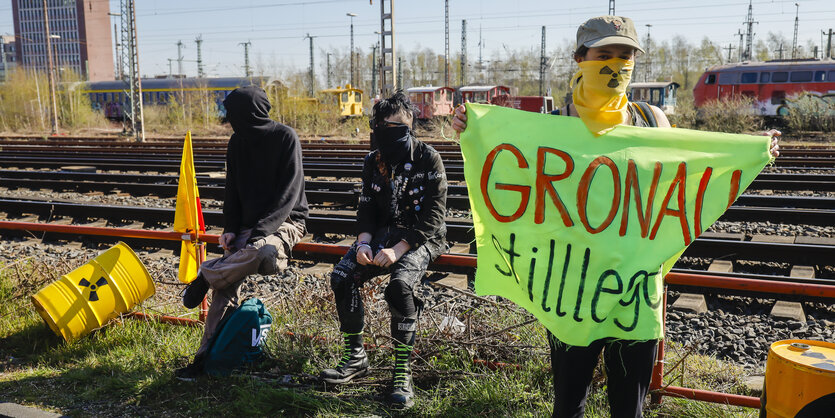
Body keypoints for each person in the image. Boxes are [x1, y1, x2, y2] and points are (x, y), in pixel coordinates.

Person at [452, 16, 780, 418]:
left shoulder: (653, 120)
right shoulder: (551, 127)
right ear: (580, 58)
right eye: (603, 55)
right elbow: (513, 179)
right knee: (568, 406)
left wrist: (751, 154)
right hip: (570, 293)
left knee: (630, 409)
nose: (616, 65)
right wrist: (474, 132)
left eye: (625, 56)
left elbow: (686, 176)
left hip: (634, 293)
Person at [320, 92, 447, 409]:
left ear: (411, 125)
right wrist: (363, 241)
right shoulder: (372, 160)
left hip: (421, 236)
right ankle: (356, 357)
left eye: (396, 126)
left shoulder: (428, 158)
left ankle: (402, 373)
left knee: (399, 287)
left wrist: (399, 249)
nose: (387, 132)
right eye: (382, 126)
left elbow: (434, 216)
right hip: (381, 233)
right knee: (342, 277)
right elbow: (366, 209)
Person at [175, 85, 309, 381]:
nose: (231, 122)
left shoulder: (285, 137)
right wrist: (231, 230)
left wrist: (259, 233)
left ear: (250, 114)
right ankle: (204, 360)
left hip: (285, 222)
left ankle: (206, 275)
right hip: (248, 228)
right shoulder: (237, 143)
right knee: (224, 292)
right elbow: (232, 189)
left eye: (235, 115)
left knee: (264, 252)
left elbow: (287, 197)